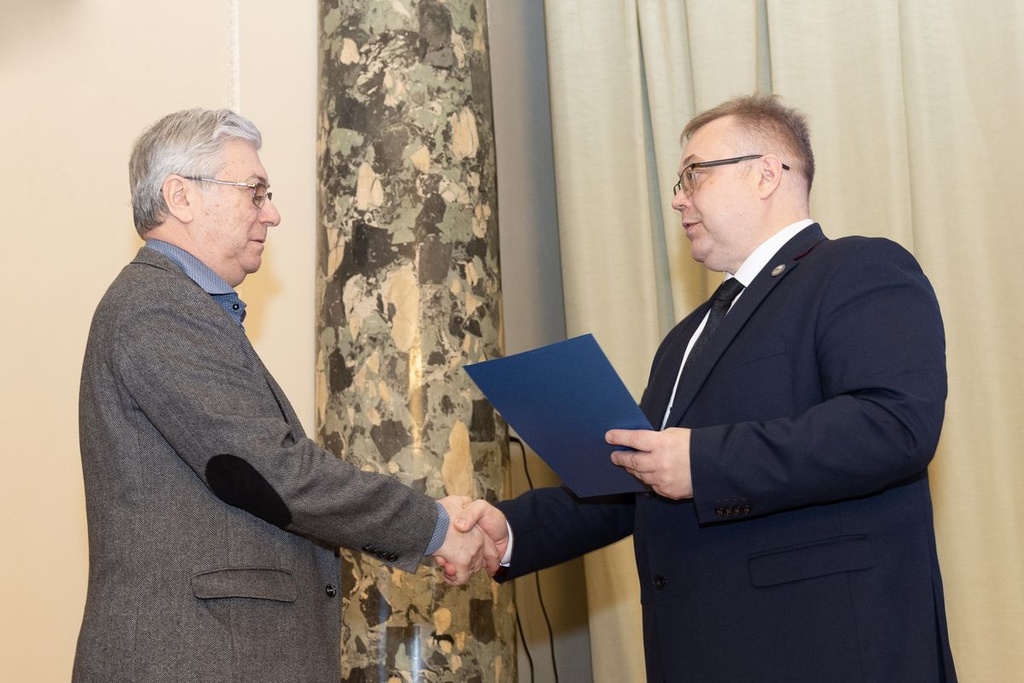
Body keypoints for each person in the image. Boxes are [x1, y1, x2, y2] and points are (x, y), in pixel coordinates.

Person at [454, 94, 957, 682]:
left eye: (694, 174)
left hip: (825, 651)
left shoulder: (859, 269)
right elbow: (636, 479)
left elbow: (893, 425)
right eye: (679, 181)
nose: (677, 198)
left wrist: (701, 462)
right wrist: (510, 530)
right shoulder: (687, 336)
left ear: (766, 174)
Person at [73, 108, 495, 683]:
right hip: (195, 660)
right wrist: (434, 527)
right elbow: (271, 475)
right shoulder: (158, 307)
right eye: (254, 192)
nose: (271, 213)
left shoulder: (176, 305)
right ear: (181, 196)